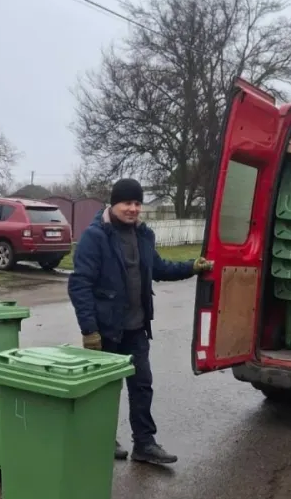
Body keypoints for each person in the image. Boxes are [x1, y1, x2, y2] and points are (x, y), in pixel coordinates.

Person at [67, 178, 212, 466]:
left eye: (137, 203)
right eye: (127, 203)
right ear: (113, 204)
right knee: (105, 392)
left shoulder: (143, 235)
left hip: (136, 328)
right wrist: (89, 331)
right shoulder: (95, 236)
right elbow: (79, 285)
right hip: (107, 331)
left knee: (142, 385)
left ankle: (144, 444)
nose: (133, 209)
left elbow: (159, 267)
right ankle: (103, 438)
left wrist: (192, 267)